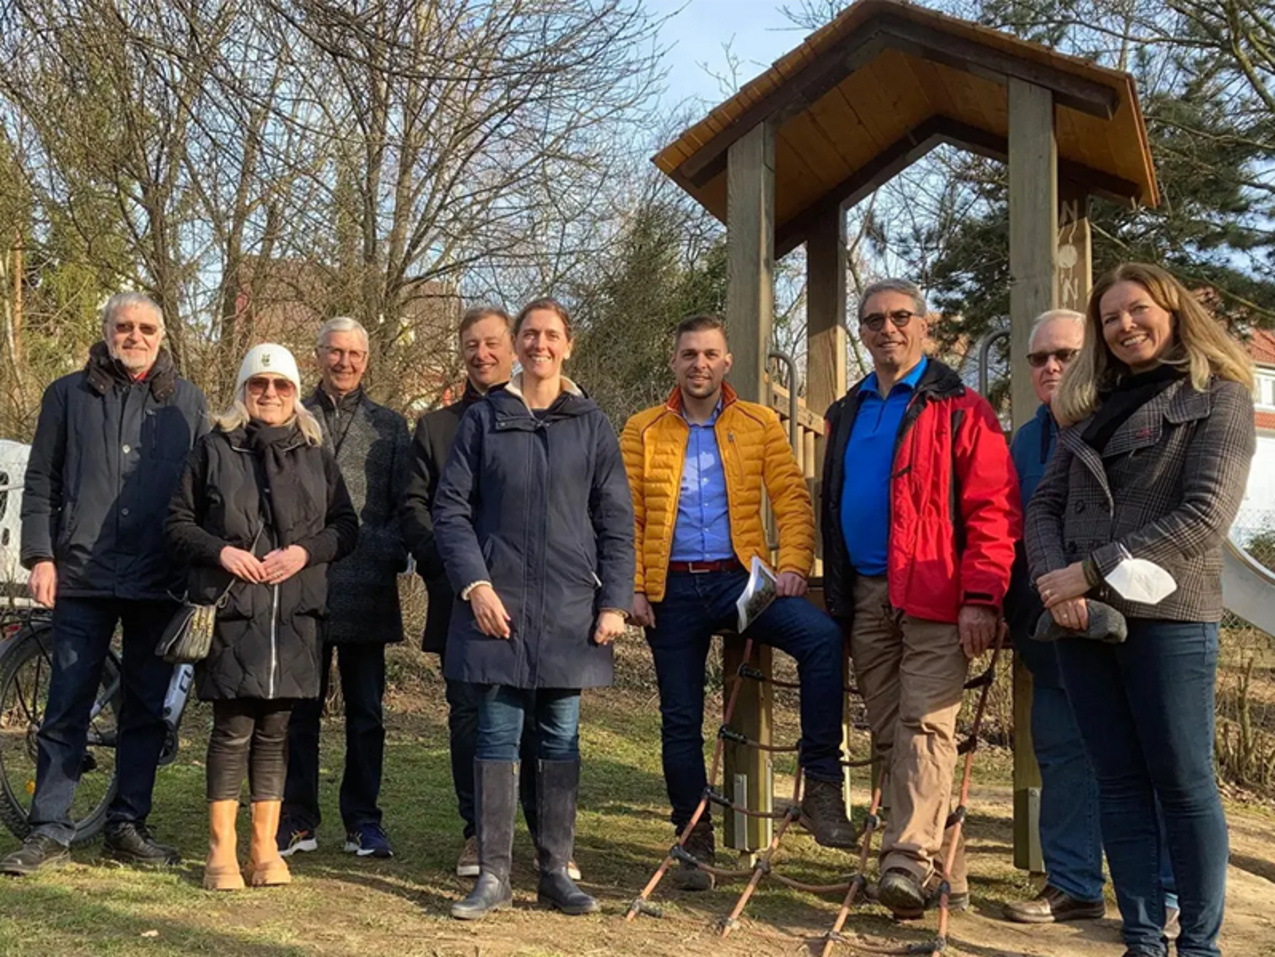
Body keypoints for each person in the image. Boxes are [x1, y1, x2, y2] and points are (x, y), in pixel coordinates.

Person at [1026, 263, 1254, 957]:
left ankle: (1200, 945)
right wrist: (1051, 584)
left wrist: (1087, 572)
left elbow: (1203, 515)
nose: (1124, 325)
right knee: (1117, 783)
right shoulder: (1089, 405)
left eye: (1136, 310)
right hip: (1081, 622)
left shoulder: (1220, 396)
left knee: (1182, 784)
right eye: (1110, 318)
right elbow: (1043, 505)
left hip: (1169, 616)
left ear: (1172, 310)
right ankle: (1141, 939)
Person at [622, 313, 855, 892]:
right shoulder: (644, 429)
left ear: (727, 363)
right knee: (680, 716)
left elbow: (793, 499)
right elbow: (625, 514)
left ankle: (822, 783)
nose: (699, 364)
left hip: (737, 583)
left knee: (821, 638)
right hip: (671, 589)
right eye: (688, 354)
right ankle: (692, 838)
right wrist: (631, 584)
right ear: (674, 362)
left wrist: (796, 565)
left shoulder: (756, 423)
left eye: (710, 354)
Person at [820, 279, 1020, 918]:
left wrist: (983, 596)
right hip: (868, 593)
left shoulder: (962, 407)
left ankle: (903, 862)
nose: (887, 330)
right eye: (873, 320)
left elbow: (993, 508)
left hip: (938, 595)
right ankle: (948, 872)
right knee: (888, 736)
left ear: (924, 323)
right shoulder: (846, 409)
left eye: (900, 317)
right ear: (862, 330)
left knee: (926, 729)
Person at [433, 298, 634, 920]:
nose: (539, 344)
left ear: (567, 345)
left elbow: (616, 521)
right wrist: (476, 586)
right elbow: (451, 510)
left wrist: (614, 602)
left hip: (572, 611)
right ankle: (493, 875)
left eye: (551, 335)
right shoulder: (484, 419)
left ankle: (554, 871)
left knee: (558, 737)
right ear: (517, 344)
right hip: (499, 608)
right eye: (529, 334)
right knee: (494, 734)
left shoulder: (592, 423)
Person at [0, 293, 207, 877]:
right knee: (65, 704)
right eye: (124, 326)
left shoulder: (188, 402)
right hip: (82, 575)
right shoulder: (67, 395)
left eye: (146, 328)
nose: (134, 336)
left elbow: (203, 491)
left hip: (157, 578)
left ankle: (127, 823)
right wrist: (40, 555)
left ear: (162, 335)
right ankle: (48, 827)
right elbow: (39, 480)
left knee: (144, 709)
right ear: (106, 330)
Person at [1002, 311, 1181, 931]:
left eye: (1064, 354)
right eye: (1038, 358)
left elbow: (1153, 516)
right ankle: (1074, 884)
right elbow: (1028, 523)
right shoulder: (1024, 441)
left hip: (1137, 615)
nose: (1050, 368)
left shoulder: (1139, 417)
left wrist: (1091, 581)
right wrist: (1049, 596)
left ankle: (1165, 893)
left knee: (1149, 755)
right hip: (1053, 622)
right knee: (1060, 752)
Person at [166, 343, 357, 891]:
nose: (269, 394)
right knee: (232, 731)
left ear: (296, 394)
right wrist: (220, 551)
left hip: (295, 616)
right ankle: (221, 853)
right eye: (259, 384)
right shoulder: (213, 448)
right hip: (233, 611)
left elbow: (346, 527)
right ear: (243, 390)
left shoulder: (315, 453)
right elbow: (177, 523)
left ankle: (264, 849)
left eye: (281, 386)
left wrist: (304, 552)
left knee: (277, 731)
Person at [401, 306, 579, 880]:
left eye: (492, 343)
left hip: (540, 598)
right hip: (464, 597)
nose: (482, 354)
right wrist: (462, 575)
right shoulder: (437, 427)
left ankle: (542, 833)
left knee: (540, 718)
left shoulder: (559, 414)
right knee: (470, 717)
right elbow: (420, 509)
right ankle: (478, 832)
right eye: (471, 345)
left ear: (513, 348)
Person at [277, 318, 410, 860]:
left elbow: (405, 506)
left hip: (368, 586)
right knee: (298, 710)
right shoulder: (292, 416)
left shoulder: (391, 426)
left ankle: (363, 820)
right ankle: (299, 818)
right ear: (318, 354)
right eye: (335, 351)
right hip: (303, 587)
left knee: (366, 713)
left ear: (367, 359)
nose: (345, 362)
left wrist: (381, 553)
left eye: (355, 353)